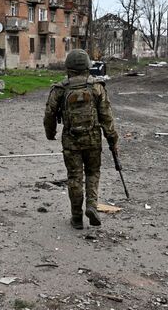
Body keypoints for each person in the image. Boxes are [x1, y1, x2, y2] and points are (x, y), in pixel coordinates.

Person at [44, 49, 119, 229]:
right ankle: (92, 206)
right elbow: (107, 117)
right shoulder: (96, 87)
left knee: (74, 177)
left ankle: (76, 217)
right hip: (92, 139)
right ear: (87, 66)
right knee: (93, 173)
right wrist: (112, 139)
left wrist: (50, 133)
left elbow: (49, 115)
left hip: (71, 140)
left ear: (68, 67)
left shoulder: (60, 89)